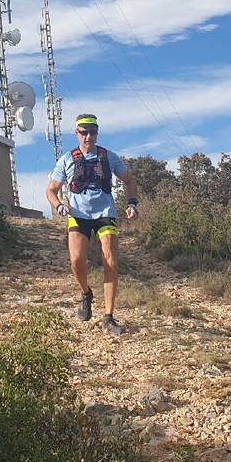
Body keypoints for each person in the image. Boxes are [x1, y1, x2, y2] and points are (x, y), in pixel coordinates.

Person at [45, 113, 138, 335]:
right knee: (77, 260)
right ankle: (86, 293)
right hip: (78, 215)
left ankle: (108, 316)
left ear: (97, 133)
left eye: (92, 132)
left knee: (111, 260)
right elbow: (51, 190)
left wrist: (133, 203)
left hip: (105, 213)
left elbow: (130, 180)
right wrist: (58, 205)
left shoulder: (109, 157)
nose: (88, 137)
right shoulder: (67, 159)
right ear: (76, 133)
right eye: (84, 132)